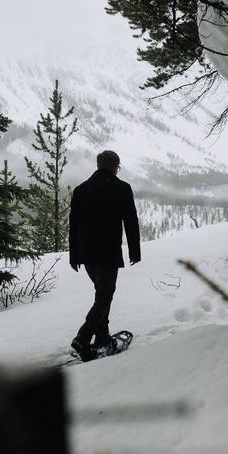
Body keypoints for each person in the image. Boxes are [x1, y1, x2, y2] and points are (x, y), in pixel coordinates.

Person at [68, 150, 141, 361]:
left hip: (87, 253)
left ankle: (101, 337)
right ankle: (83, 337)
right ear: (115, 166)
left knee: (102, 294)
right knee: (105, 296)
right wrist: (134, 252)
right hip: (108, 252)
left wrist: (74, 256)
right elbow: (131, 222)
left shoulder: (81, 190)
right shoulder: (122, 188)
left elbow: (73, 226)